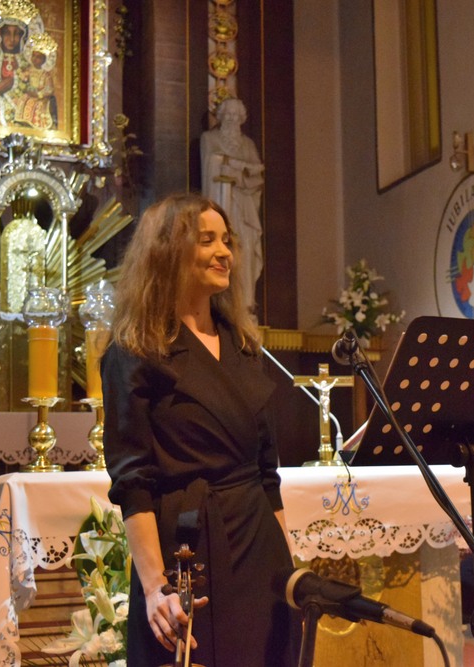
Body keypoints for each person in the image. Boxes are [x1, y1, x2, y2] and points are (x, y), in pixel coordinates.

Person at [102, 193, 295, 666]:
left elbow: (266, 474)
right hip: (188, 549)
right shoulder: (135, 349)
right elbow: (133, 482)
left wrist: (288, 568)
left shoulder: (241, 343)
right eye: (207, 240)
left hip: (258, 545)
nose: (224, 251)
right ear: (168, 250)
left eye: (226, 240)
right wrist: (155, 587)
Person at [201, 98, 265, 310]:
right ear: (220, 117)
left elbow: (257, 175)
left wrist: (235, 171)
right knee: (223, 248)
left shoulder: (248, 144)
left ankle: (244, 305)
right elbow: (210, 165)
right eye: (227, 115)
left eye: (236, 116)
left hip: (245, 206)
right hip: (221, 203)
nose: (231, 119)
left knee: (244, 250)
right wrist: (235, 167)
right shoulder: (209, 138)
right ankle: (222, 306)